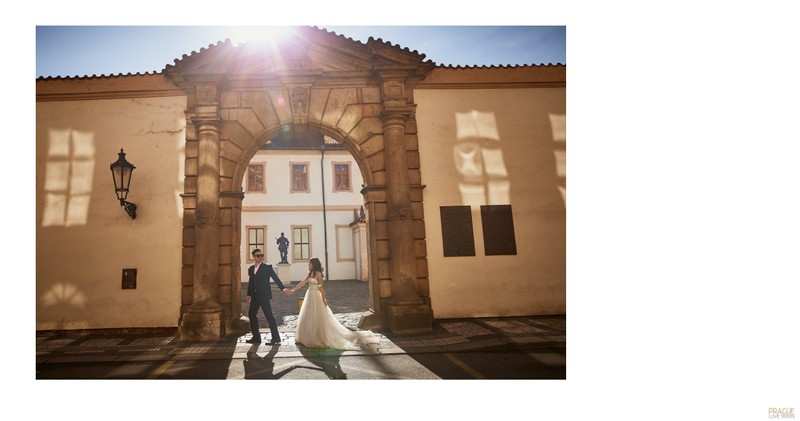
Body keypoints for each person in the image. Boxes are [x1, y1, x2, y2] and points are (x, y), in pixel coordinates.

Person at [288, 257, 379, 350]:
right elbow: (302, 283)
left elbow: (321, 287)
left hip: (316, 296)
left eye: (309, 263)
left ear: (313, 264)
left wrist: (324, 299)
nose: (308, 264)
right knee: (308, 316)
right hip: (309, 295)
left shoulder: (318, 274)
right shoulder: (310, 273)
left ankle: (317, 338)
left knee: (317, 316)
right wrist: (292, 290)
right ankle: (306, 338)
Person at [246, 248, 291, 344]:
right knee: (251, 315)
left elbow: (276, 278)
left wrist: (283, 288)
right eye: (258, 256)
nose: (260, 257)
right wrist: (249, 294)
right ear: (254, 257)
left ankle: (276, 338)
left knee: (269, 316)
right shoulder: (251, 269)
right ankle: (256, 337)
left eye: (261, 255)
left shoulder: (267, 267)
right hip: (254, 296)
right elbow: (251, 282)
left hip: (264, 297)